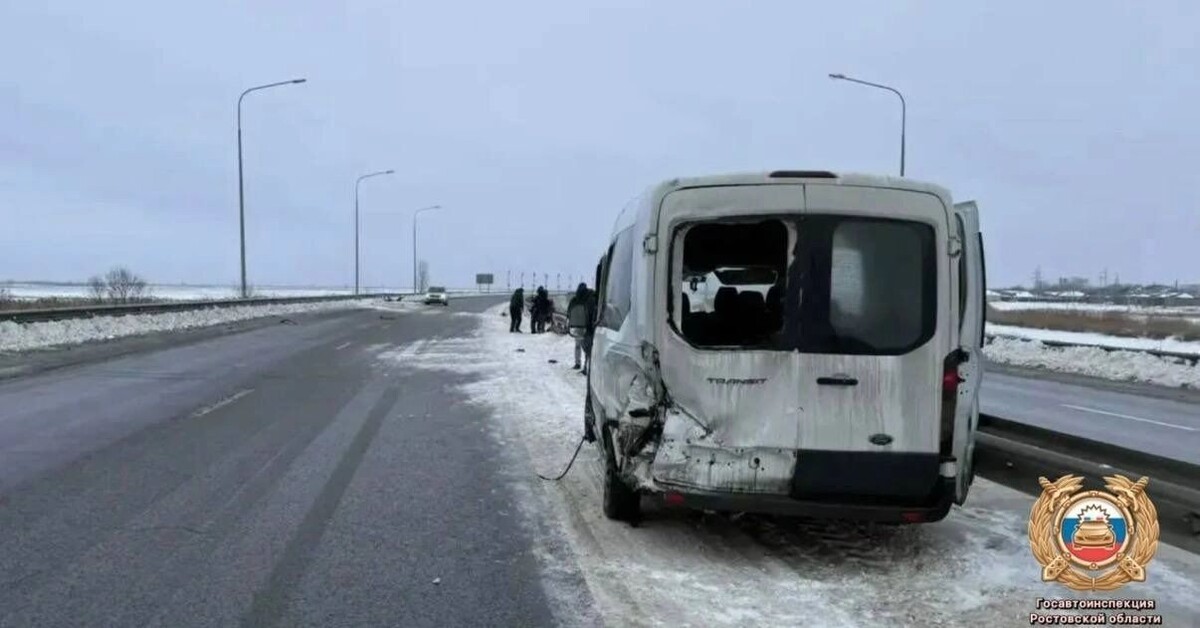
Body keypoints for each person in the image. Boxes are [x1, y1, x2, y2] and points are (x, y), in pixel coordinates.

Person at [567, 283, 591, 369]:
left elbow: (569, 312)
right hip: (587, 326)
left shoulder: (575, 299)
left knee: (578, 346)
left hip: (577, 325)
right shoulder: (589, 298)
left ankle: (578, 363)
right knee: (587, 347)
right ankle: (586, 366)